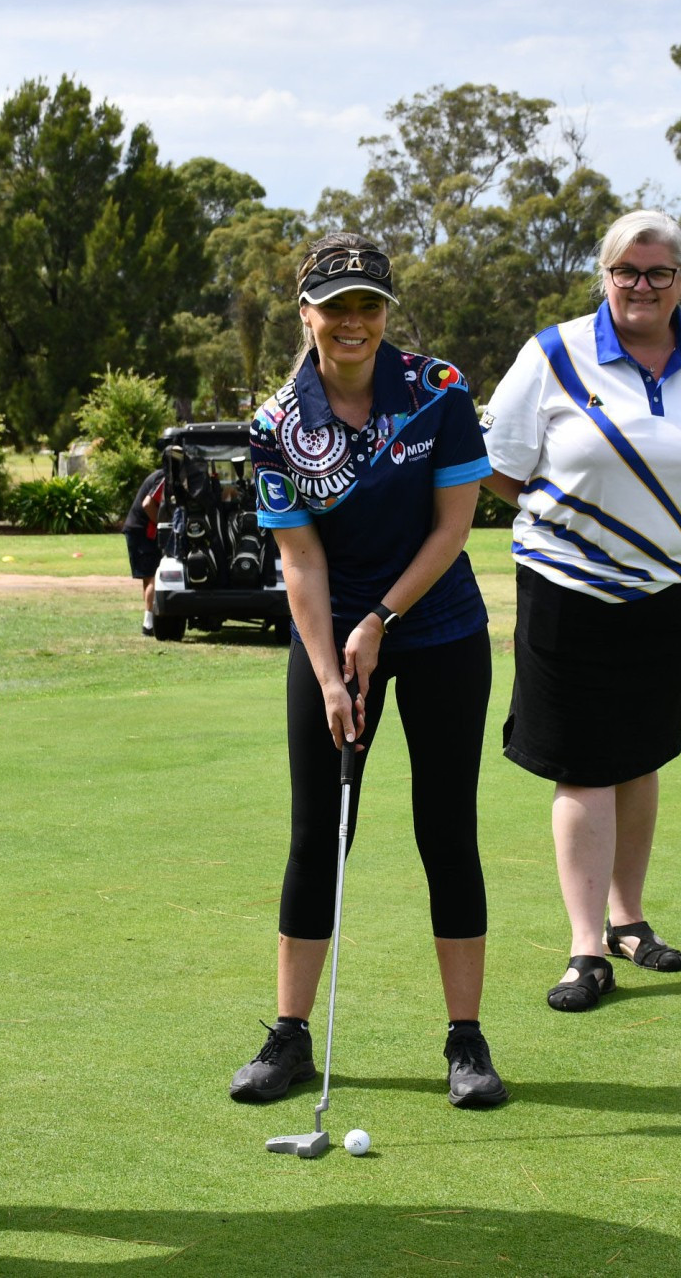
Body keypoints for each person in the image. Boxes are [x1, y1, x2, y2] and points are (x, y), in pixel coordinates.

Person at [230, 232, 508, 1110]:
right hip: (332, 641)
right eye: (336, 305)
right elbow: (301, 561)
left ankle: (466, 1038)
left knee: (445, 828)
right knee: (320, 834)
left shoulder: (438, 393)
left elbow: (453, 527)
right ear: (306, 312)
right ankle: (289, 1035)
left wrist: (382, 619)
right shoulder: (276, 424)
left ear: (387, 314)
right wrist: (327, 671)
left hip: (442, 630)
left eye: (369, 306)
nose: (353, 322)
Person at [478, 209, 681, 1012]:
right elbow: (494, 465)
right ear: (604, 275)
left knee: (641, 755)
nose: (641, 286)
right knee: (582, 762)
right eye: (626, 272)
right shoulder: (552, 354)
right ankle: (582, 949)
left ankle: (627, 919)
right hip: (565, 588)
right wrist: (558, 508)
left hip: (668, 594)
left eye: (659, 273)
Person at [121, 466, 165, 635]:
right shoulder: (165, 476)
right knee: (155, 575)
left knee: (148, 578)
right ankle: (149, 625)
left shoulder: (160, 474)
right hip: (142, 530)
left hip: (136, 530)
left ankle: (151, 620)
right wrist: (162, 525)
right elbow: (147, 504)